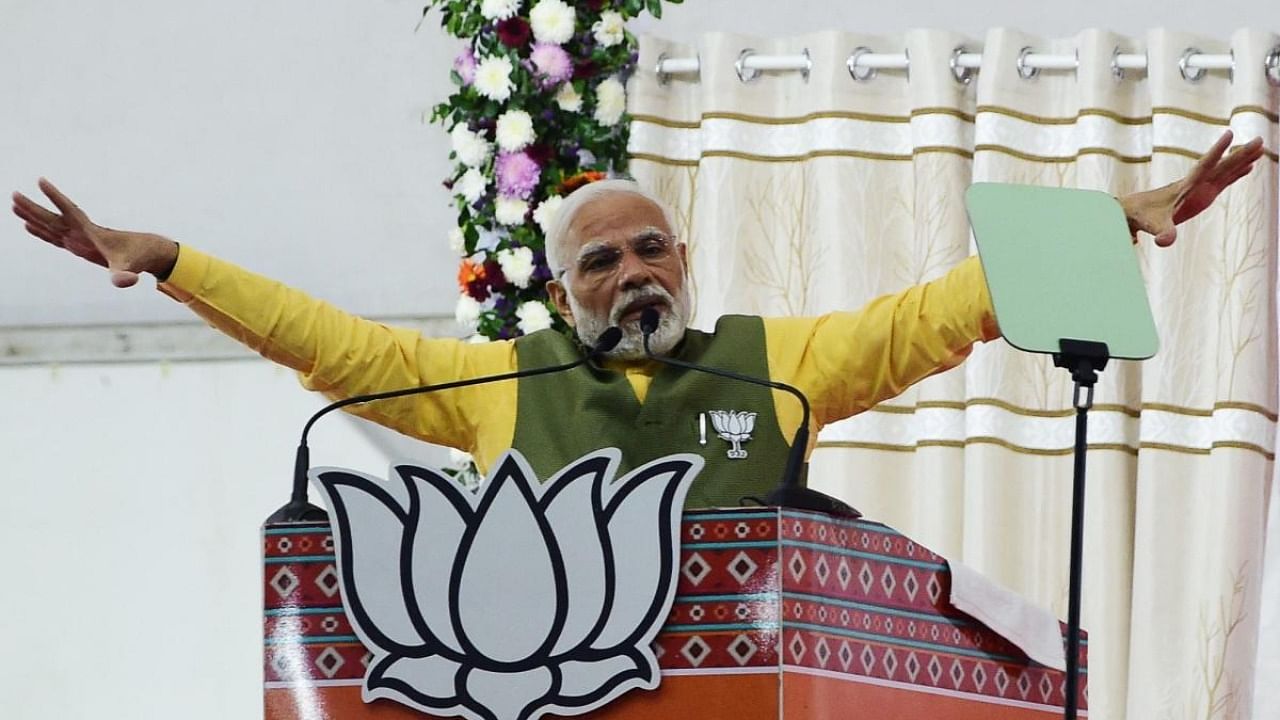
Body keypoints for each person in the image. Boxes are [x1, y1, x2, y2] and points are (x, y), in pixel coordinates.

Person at [10, 131, 1265, 507]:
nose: (630, 272)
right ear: (566, 294)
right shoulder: (499, 380)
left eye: (649, 247)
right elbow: (333, 346)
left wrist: (1109, 223)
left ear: (685, 259)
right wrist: (171, 259)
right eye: (600, 261)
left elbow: (938, 311)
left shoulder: (776, 368)